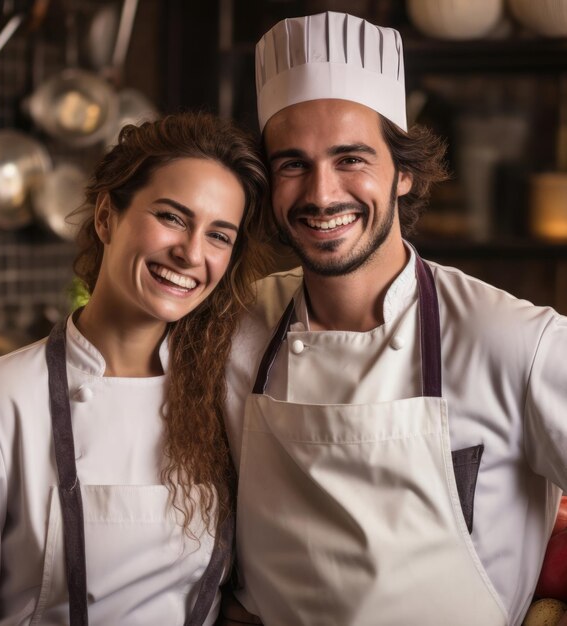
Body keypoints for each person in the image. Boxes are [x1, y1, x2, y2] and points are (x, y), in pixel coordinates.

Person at [222, 11, 567, 626]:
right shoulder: (232, 328)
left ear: (403, 172)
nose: (322, 194)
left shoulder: (515, 341)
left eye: (351, 158)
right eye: (293, 164)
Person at [0, 111, 270, 625]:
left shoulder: (221, 403)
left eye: (219, 236)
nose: (190, 253)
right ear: (105, 218)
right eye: (172, 217)